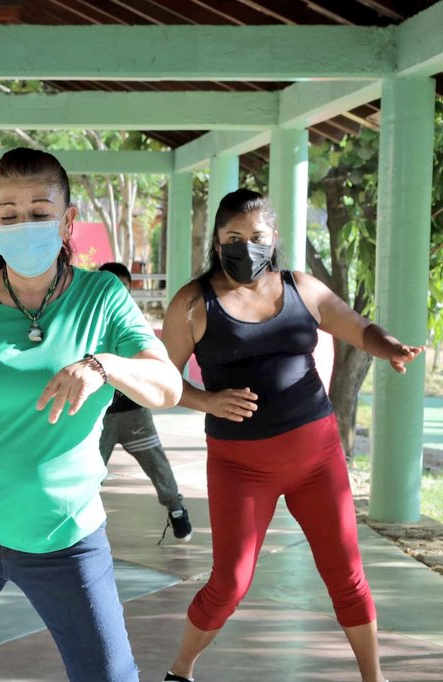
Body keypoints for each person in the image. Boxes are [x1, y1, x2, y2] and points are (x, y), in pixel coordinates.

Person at [0, 148, 183, 682]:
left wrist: (104, 365)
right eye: (9, 214)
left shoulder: (102, 296)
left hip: (66, 537)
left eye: (41, 213)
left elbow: (168, 386)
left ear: (68, 221)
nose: (25, 226)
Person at [160, 189, 423, 682]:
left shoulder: (301, 287)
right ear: (218, 242)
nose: (246, 247)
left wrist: (388, 347)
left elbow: (357, 326)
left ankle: (374, 677)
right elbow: (161, 381)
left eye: (256, 237)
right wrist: (206, 400)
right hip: (240, 466)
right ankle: (181, 670)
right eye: (233, 238)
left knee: (346, 573)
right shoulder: (193, 303)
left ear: (274, 237)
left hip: (316, 458)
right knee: (230, 583)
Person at [96, 263, 191, 543]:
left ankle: (176, 509)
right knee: (87, 473)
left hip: (134, 414)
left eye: (123, 288)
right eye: (112, 287)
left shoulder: (133, 324)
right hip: (98, 417)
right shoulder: (86, 322)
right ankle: (79, 527)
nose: (117, 293)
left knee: (156, 464)